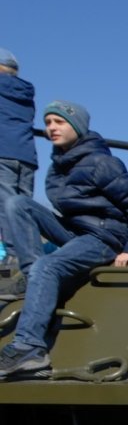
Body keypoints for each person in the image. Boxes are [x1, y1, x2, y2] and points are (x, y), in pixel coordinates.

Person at [0, 100, 128, 378]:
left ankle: (29, 348)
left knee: (49, 266)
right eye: (48, 123)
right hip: (75, 230)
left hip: (103, 236)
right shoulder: (60, 163)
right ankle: (33, 277)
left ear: (77, 126)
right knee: (18, 204)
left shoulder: (102, 162)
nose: (51, 128)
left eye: (59, 122)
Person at [0, 47, 36, 275]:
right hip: (26, 154)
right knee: (24, 208)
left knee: (6, 207)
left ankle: (14, 257)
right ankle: (31, 254)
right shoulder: (25, 92)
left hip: (2, 151)